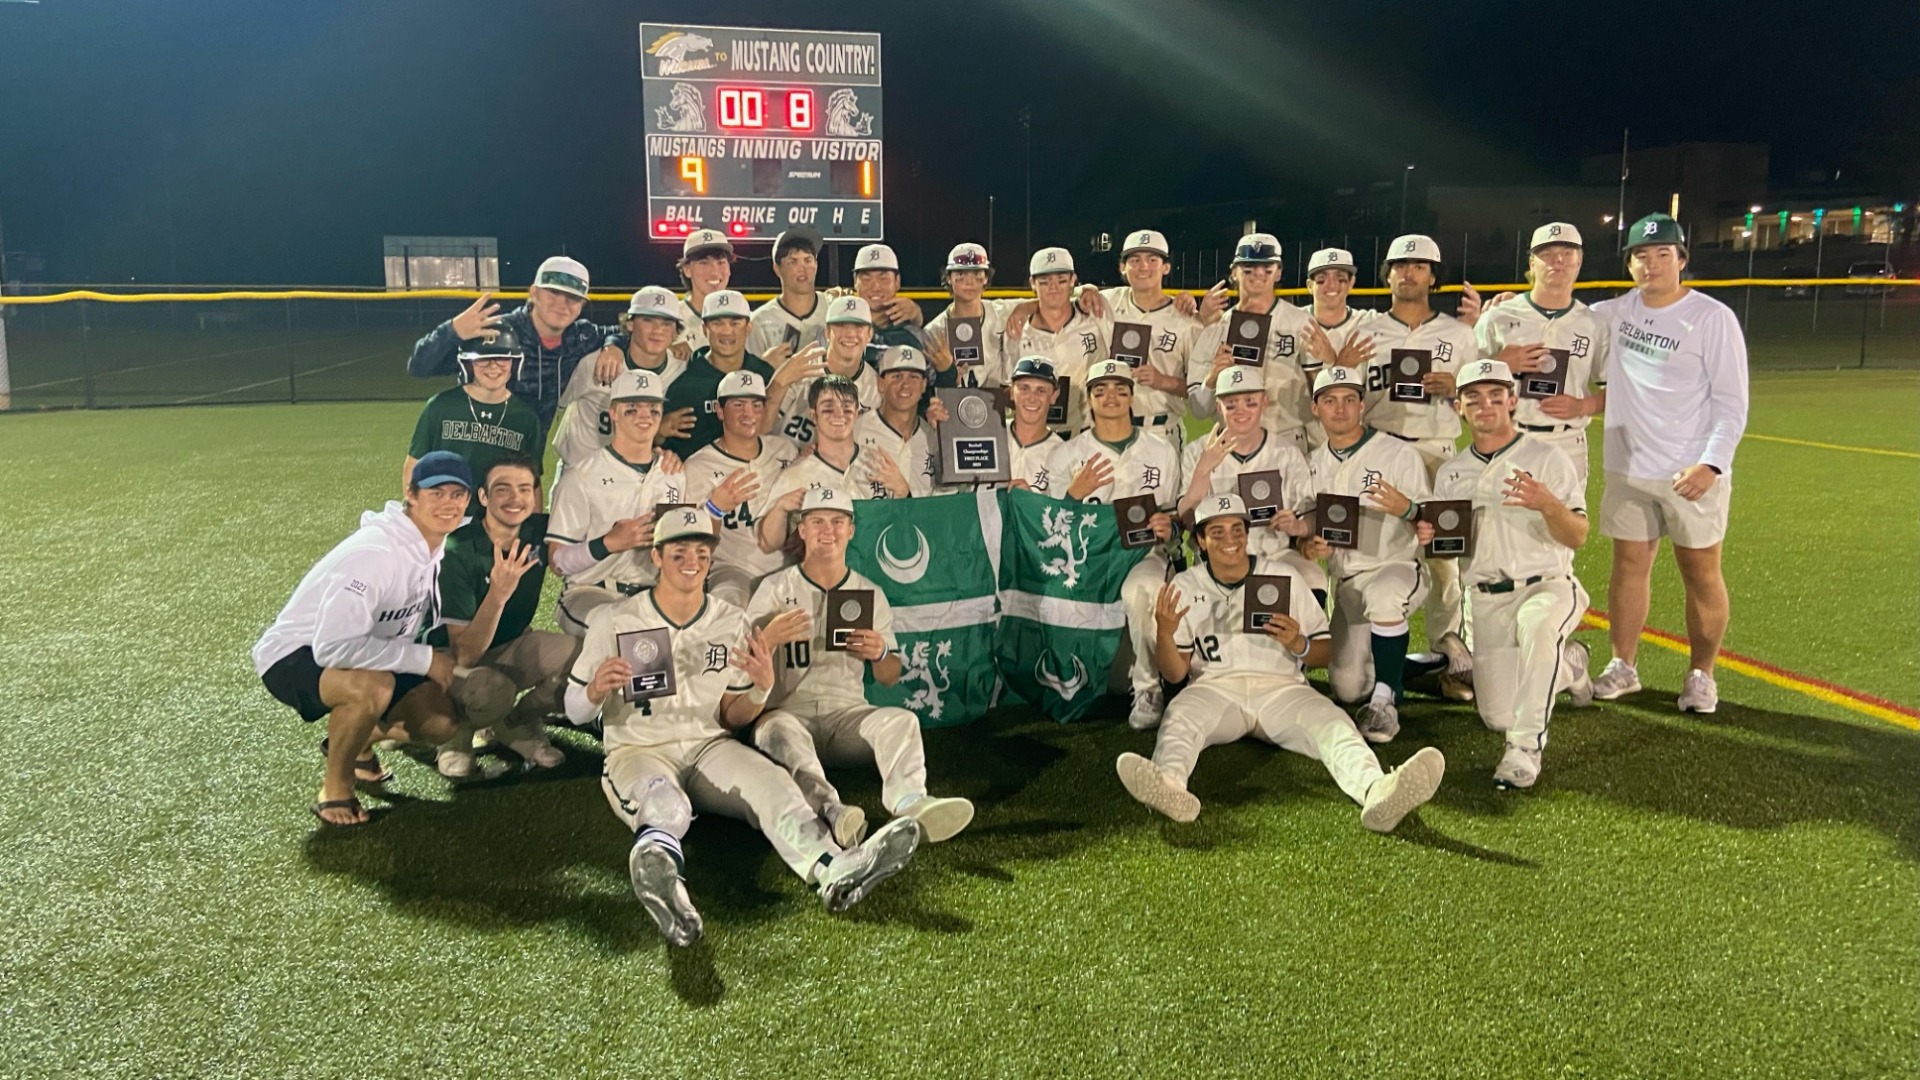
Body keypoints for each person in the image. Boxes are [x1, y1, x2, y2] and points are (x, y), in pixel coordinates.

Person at [565, 508, 925, 946]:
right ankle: (667, 887)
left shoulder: (729, 620)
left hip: (708, 745)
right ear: (656, 557)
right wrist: (594, 691)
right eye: (679, 552)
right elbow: (574, 711)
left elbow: (733, 716)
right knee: (665, 806)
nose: (692, 562)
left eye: (701, 553)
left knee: (774, 783)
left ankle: (834, 868)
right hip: (638, 750)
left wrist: (761, 687)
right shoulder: (616, 619)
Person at [1115, 493, 1445, 833]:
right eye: (1217, 532)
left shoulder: (1282, 575)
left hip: (1282, 689)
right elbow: (1176, 673)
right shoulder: (1185, 584)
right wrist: (1165, 633)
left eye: (1237, 529)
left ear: (1247, 534)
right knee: (1179, 720)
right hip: (1214, 689)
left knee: (1333, 723)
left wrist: (1298, 643)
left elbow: (1324, 652)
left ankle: (1377, 790)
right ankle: (1169, 786)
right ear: (1200, 540)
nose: (1230, 539)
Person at [748, 485, 976, 847]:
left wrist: (880, 653)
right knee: (774, 730)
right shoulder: (774, 588)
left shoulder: (869, 592)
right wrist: (770, 637)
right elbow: (742, 666)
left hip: (846, 717)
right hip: (788, 713)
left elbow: (890, 677)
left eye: (837, 521)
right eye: (817, 521)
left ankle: (910, 802)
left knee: (902, 720)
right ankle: (832, 811)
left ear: (851, 530)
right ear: (802, 530)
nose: (828, 530)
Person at [253, 452, 469, 826]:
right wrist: (424, 660)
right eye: (436, 493)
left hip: (368, 653)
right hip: (296, 653)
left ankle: (357, 744)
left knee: (440, 723)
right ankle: (334, 790)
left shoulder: (430, 542)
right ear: (411, 494)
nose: (448, 503)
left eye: (457, 494)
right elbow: (332, 647)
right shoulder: (376, 553)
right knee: (374, 686)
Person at [1588, 213, 1749, 714]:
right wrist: (1502, 308)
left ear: (1681, 260)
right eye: (1641, 255)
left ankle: (1702, 674)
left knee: (1701, 571)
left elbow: (1731, 402)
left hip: (1690, 471)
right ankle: (1623, 665)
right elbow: (1555, 320)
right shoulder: (1612, 313)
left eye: (1663, 254)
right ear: (1629, 264)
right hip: (1629, 467)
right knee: (1628, 567)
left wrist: (1712, 465)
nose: (1651, 264)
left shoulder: (1711, 317)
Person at [1425, 359, 1594, 788]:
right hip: (1487, 598)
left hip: (1546, 584)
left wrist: (1548, 504)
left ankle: (1524, 751)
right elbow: (1450, 548)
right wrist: (1428, 535)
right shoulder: (1451, 472)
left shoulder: (1547, 457)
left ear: (1512, 401)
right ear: (1459, 407)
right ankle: (1571, 666)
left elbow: (1577, 535)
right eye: (1474, 397)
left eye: (1495, 396)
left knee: (1538, 628)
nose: (1486, 405)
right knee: (1498, 714)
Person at [1297, 366, 1442, 742]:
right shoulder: (1312, 463)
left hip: (1396, 567)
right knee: (1347, 688)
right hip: (1347, 582)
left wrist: (1409, 510)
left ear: (1362, 405)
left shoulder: (1397, 453)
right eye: (1330, 400)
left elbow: (1435, 521)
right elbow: (1307, 528)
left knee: (1384, 597)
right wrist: (1309, 546)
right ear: (1315, 408)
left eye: (1349, 399)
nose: (1340, 408)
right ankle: (1411, 665)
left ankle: (1384, 703)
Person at [1360, 234, 1481, 654]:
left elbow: (1480, 408)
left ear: (1433, 276)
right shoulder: (1366, 331)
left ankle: (1447, 652)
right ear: (1387, 275)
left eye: (1418, 266)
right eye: (1399, 265)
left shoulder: (1460, 334)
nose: (1408, 273)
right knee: (1370, 551)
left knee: (1443, 557)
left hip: (1436, 450)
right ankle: (1367, 648)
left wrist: (1457, 390)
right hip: (1380, 447)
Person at [1048, 359, 1183, 729]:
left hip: (1144, 555)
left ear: (1132, 398)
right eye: (1101, 391)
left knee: (1141, 592)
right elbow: (1051, 527)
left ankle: (1148, 688)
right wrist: (1073, 495)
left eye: (1121, 390)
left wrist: (1169, 528)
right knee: (1104, 681)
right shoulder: (1067, 454)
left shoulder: (1161, 450)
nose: (1111, 397)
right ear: (1089, 399)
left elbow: (1175, 520)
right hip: (1087, 558)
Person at [429, 454, 574, 778]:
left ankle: (514, 724)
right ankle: (458, 733)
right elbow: (464, 654)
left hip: (512, 643)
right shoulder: (457, 551)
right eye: (502, 489)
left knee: (581, 657)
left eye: (524, 489)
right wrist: (498, 594)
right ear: (483, 497)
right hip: (451, 661)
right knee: (492, 690)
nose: (515, 498)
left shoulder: (540, 529)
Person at [1190, 233, 1358, 457]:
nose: (1258, 273)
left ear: (1278, 272)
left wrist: (1330, 364)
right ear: (1234, 273)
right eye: (1249, 268)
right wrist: (1212, 379)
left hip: (1286, 439)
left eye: (1267, 268)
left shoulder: (1301, 323)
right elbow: (1198, 410)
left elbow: (1323, 394)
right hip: (1232, 443)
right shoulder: (1216, 328)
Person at [546, 369, 686, 635]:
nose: (645, 416)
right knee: (628, 631)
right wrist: (609, 543)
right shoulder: (581, 477)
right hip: (590, 592)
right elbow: (558, 562)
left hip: (653, 595)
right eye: (632, 409)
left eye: (653, 409)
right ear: (613, 413)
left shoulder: (673, 474)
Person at [1472, 223, 1607, 486]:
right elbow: (1461, 379)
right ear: (1532, 263)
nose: (1558, 260)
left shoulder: (1595, 323)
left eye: (1567, 253)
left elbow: (1616, 388)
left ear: (1579, 261)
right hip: (1509, 437)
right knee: (1503, 513)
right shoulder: (1499, 315)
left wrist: (1584, 406)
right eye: (1547, 253)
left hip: (1568, 442)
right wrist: (1499, 365)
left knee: (1564, 514)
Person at [408, 256, 605, 432]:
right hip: (471, 448)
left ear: (581, 305)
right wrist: (452, 331)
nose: (562, 304)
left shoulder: (581, 337)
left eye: (573, 298)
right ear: (534, 293)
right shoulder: (497, 331)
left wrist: (613, 346)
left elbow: (621, 331)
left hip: (526, 456)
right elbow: (419, 367)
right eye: (553, 292)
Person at [1174, 365, 1322, 595]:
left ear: (1264, 402)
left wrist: (1298, 525)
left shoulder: (1286, 453)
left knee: (1313, 577)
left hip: (1275, 554)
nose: (1240, 411)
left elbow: (1311, 513)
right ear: (1218, 406)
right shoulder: (1197, 451)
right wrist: (1203, 469)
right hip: (1217, 559)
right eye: (1231, 404)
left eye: (1250, 402)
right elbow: (1187, 518)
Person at [756, 375, 912, 558]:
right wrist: (780, 509)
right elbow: (767, 544)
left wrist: (904, 493)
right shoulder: (796, 473)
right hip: (823, 571)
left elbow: (907, 533)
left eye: (847, 407)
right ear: (813, 415)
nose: (839, 414)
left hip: (878, 565)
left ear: (857, 412)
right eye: (828, 408)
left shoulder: (881, 464)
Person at [682, 370, 800, 607]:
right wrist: (715, 508)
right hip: (732, 570)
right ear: (719, 410)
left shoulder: (785, 450)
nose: (749, 413)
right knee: (730, 604)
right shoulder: (698, 466)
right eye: (738, 405)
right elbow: (692, 545)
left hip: (786, 568)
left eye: (756, 405)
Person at [404, 328, 543, 517]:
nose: (493, 366)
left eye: (501, 358)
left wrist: (533, 525)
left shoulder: (525, 417)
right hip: (445, 516)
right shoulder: (441, 406)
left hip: (497, 522)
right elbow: (414, 466)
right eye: (483, 359)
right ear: (469, 363)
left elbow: (532, 482)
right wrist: (415, 515)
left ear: (513, 362)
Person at [1080, 229, 1202, 442]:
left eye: (1152, 259)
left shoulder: (1185, 317)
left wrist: (1163, 381)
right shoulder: (1106, 302)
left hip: (1161, 430)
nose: (1143, 266)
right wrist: (1085, 289)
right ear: (1122, 267)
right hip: (1108, 429)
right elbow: (1059, 300)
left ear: (1166, 267)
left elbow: (1199, 391)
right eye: (1134, 260)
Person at [552, 286, 688, 474]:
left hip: (635, 477)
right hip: (580, 471)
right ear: (630, 324)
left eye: (666, 323)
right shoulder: (595, 363)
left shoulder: (681, 369)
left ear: (676, 331)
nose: (658, 330)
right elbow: (554, 403)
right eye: (648, 320)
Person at [659, 290, 775, 460]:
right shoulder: (684, 384)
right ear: (704, 329)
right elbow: (664, 449)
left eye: (735, 323)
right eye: (717, 323)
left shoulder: (765, 374)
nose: (726, 331)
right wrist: (659, 434)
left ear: (749, 327)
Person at [1008, 247, 1109, 432]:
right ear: (1032, 283)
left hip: (1084, 432)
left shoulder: (1096, 315)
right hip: (1034, 434)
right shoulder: (1016, 328)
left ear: (1073, 280)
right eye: (1045, 281)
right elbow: (1007, 385)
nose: (1053, 287)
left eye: (1061, 280)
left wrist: (1089, 288)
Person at [1302, 246, 1379, 448]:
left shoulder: (1370, 322)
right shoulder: (1292, 324)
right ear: (1309, 285)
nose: (1332, 284)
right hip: (1306, 443)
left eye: (1341, 278)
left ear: (1351, 283)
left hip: (1358, 442)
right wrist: (1338, 365)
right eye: (1322, 279)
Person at [767, 294, 871, 445]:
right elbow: (760, 428)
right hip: (784, 456)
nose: (849, 334)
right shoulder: (799, 367)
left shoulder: (877, 387)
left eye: (858, 326)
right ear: (827, 332)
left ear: (869, 335)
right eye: (841, 325)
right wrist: (779, 383)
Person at [853, 344, 943, 497]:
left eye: (913, 377)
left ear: (923, 385)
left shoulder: (933, 436)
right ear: (881, 384)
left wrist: (945, 438)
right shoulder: (856, 431)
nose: (905, 385)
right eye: (896, 377)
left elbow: (946, 499)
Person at [925, 242, 1015, 387]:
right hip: (951, 399)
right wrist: (947, 375)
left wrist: (1025, 309)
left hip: (998, 398)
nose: (969, 282)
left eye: (977, 274)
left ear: (986, 278)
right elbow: (925, 384)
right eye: (961, 274)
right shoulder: (934, 331)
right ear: (948, 278)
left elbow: (1044, 303)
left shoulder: (1003, 311)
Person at [746, 225, 829, 358]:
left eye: (808, 260)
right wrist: (764, 367)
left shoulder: (833, 309)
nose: (802, 268)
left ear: (816, 265)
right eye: (793, 262)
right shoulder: (759, 322)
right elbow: (748, 370)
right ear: (777, 269)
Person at [1004, 356, 1069, 491]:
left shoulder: (1063, 454)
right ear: (1011, 392)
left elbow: (1062, 504)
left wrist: (1030, 499)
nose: (1032, 398)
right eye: (1024, 388)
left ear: (1054, 396)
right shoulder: (991, 434)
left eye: (1041, 390)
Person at [671, 229, 736, 355]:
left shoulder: (745, 318)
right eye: (704, 263)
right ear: (687, 270)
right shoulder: (668, 320)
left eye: (721, 262)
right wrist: (663, 353)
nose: (715, 272)